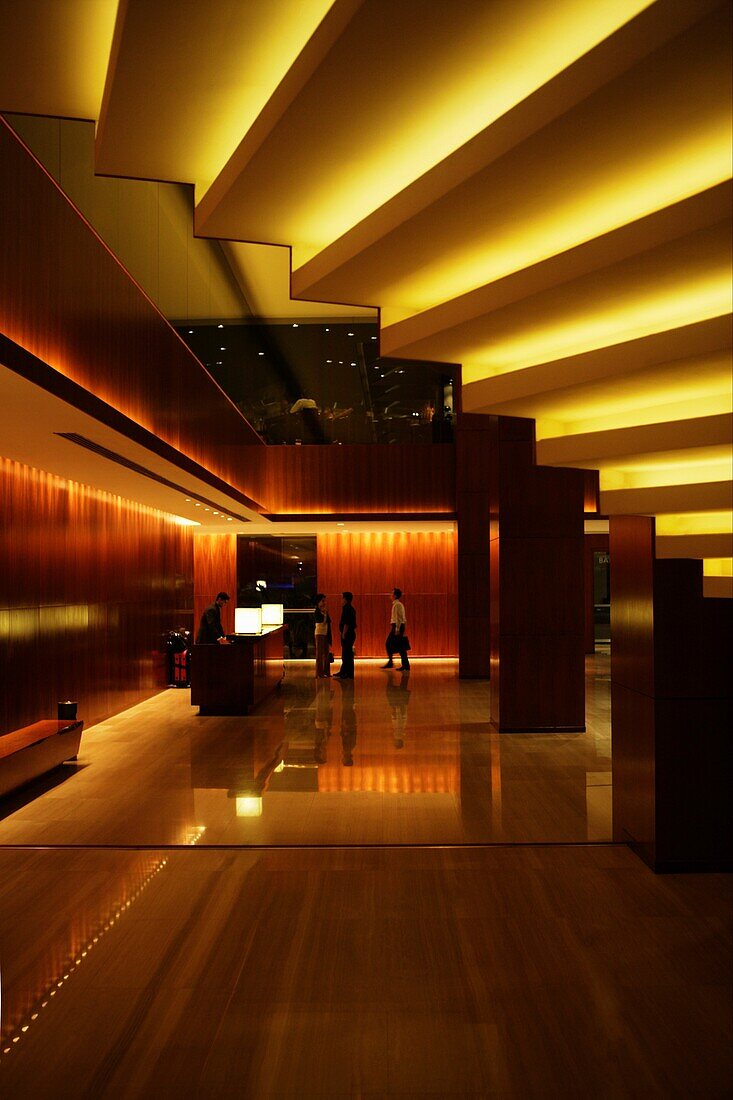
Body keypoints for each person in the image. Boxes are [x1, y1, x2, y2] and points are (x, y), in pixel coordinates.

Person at [382, 588, 410, 670]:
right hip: (399, 627)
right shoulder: (398, 604)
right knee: (401, 647)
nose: (390, 595)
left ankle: (392, 662)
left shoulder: (397, 605)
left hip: (397, 627)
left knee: (389, 644)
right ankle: (405, 665)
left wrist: (397, 629)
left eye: (392, 593)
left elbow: (398, 618)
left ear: (395, 595)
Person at [333, 591, 357, 679]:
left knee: (346, 654)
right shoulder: (351, 608)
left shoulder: (346, 608)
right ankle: (345, 671)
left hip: (348, 634)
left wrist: (343, 633)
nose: (341, 600)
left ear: (345, 599)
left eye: (342, 598)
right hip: (350, 633)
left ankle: (346, 673)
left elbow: (346, 623)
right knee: (347, 654)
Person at [314, 593, 333, 678]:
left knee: (326, 653)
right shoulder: (317, 612)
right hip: (319, 633)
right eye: (322, 601)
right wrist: (325, 613)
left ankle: (327, 672)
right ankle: (319, 673)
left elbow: (329, 621)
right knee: (319, 654)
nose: (324, 603)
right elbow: (322, 621)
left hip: (326, 633)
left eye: (324, 601)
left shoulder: (325, 611)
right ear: (318, 602)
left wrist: (325, 613)